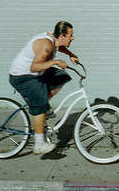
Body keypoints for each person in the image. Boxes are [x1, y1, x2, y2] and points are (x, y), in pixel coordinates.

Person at [9, 21, 79, 154]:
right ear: (62, 36)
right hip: (22, 76)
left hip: (35, 73)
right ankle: (39, 144)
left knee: (62, 76)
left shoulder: (55, 40)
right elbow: (34, 67)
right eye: (71, 35)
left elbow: (59, 46)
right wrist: (56, 61)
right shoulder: (46, 45)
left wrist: (70, 54)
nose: (73, 38)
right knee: (40, 104)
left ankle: (41, 107)